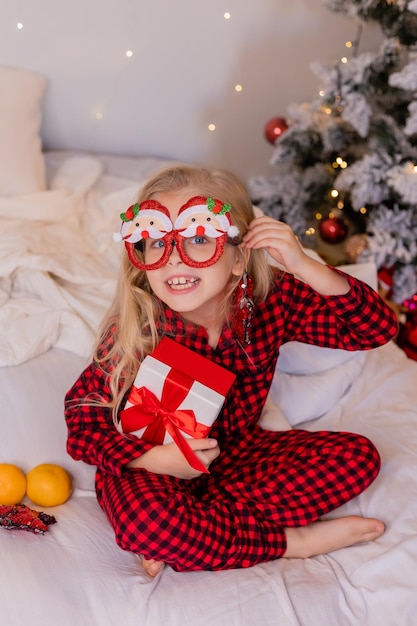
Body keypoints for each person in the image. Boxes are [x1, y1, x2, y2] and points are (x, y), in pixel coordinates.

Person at [65, 165, 398, 577]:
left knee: (357, 458)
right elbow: (83, 422)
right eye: (156, 244)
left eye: (199, 239)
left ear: (240, 257)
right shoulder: (139, 327)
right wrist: (156, 460)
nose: (173, 262)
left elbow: (376, 330)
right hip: (153, 465)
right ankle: (290, 542)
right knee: (148, 520)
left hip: (235, 456)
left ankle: (198, 532)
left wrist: (305, 266)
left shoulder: (270, 301)